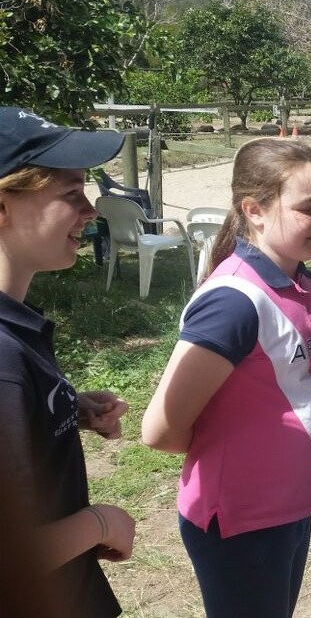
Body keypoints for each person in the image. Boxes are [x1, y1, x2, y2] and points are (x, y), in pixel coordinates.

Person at [141, 138, 311, 618]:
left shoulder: (294, 279)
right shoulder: (234, 302)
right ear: (254, 211)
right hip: (243, 521)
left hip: (284, 508)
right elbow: (160, 429)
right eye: (309, 209)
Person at [0, 106, 136, 618]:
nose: (91, 211)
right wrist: (99, 524)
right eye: (71, 194)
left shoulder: (14, 326)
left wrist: (63, 406)